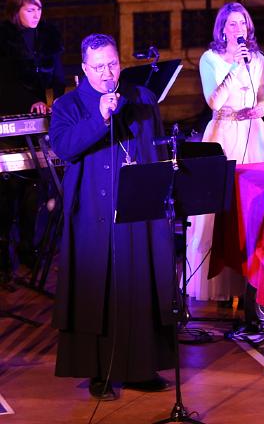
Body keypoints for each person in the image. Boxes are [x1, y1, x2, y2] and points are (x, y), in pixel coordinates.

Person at [50, 34, 175, 399]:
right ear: (85, 69)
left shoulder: (142, 98)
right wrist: (100, 118)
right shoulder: (68, 105)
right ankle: (98, 372)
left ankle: (140, 367)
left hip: (138, 211)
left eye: (113, 64)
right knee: (96, 290)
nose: (107, 73)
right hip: (93, 210)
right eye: (99, 67)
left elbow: (157, 148)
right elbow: (64, 147)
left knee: (140, 284)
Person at [186, 2, 264, 302]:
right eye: (232, 24)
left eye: (243, 24)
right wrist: (235, 67)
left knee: (253, 203)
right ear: (222, 29)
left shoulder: (257, 58)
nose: (239, 30)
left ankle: (252, 277)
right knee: (222, 203)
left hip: (252, 131)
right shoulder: (210, 59)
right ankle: (219, 281)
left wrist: (260, 109)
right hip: (223, 132)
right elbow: (213, 101)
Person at [0, 0, 65, 285]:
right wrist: (31, 102)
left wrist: (53, 102)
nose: (36, 13)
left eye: (39, 8)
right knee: (8, 190)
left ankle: (30, 247)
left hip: (40, 121)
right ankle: (4, 256)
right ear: (16, 11)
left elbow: (58, 79)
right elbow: (6, 85)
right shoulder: (4, 40)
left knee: (35, 187)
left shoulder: (47, 39)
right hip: (10, 118)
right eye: (30, 8)